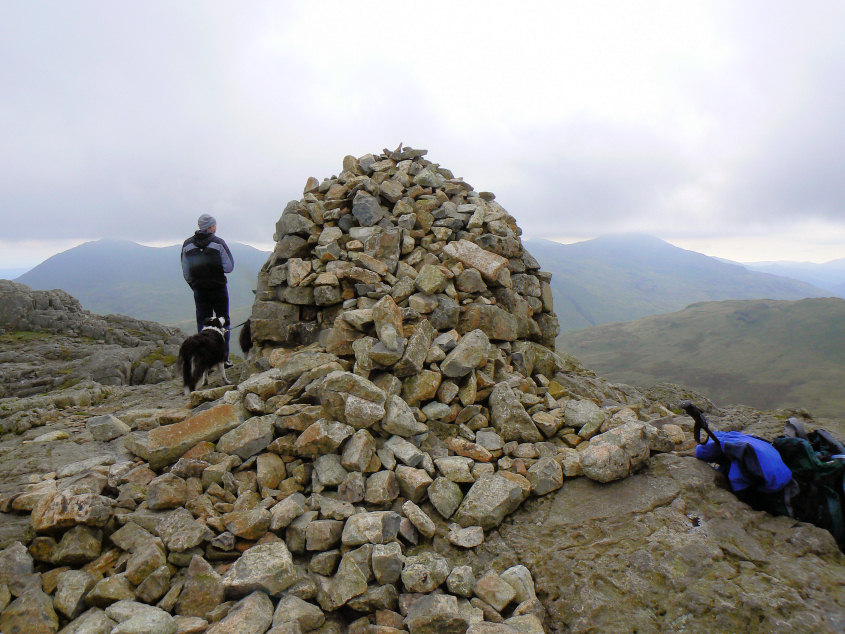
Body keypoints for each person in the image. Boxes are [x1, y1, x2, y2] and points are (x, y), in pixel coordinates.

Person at [181, 214, 234, 366]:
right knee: (224, 321)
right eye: (214, 225)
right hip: (218, 287)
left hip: (200, 289)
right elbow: (229, 267)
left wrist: (195, 285)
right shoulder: (218, 243)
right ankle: (223, 359)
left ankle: (204, 361)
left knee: (203, 324)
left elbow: (186, 272)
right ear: (211, 227)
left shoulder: (187, 245)